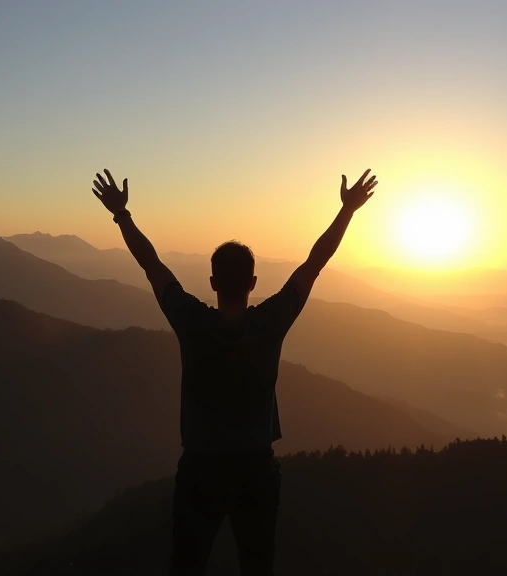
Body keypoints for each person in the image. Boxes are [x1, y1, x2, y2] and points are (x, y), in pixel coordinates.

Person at [92, 167, 377, 576]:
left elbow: (150, 265)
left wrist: (122, 215)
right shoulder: (271, 322)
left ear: (211, 282)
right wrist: (347, 210)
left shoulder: (190, 321)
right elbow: (314, 263)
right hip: (255, 473)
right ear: (253, 282)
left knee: (186, 568)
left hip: (199, 471)